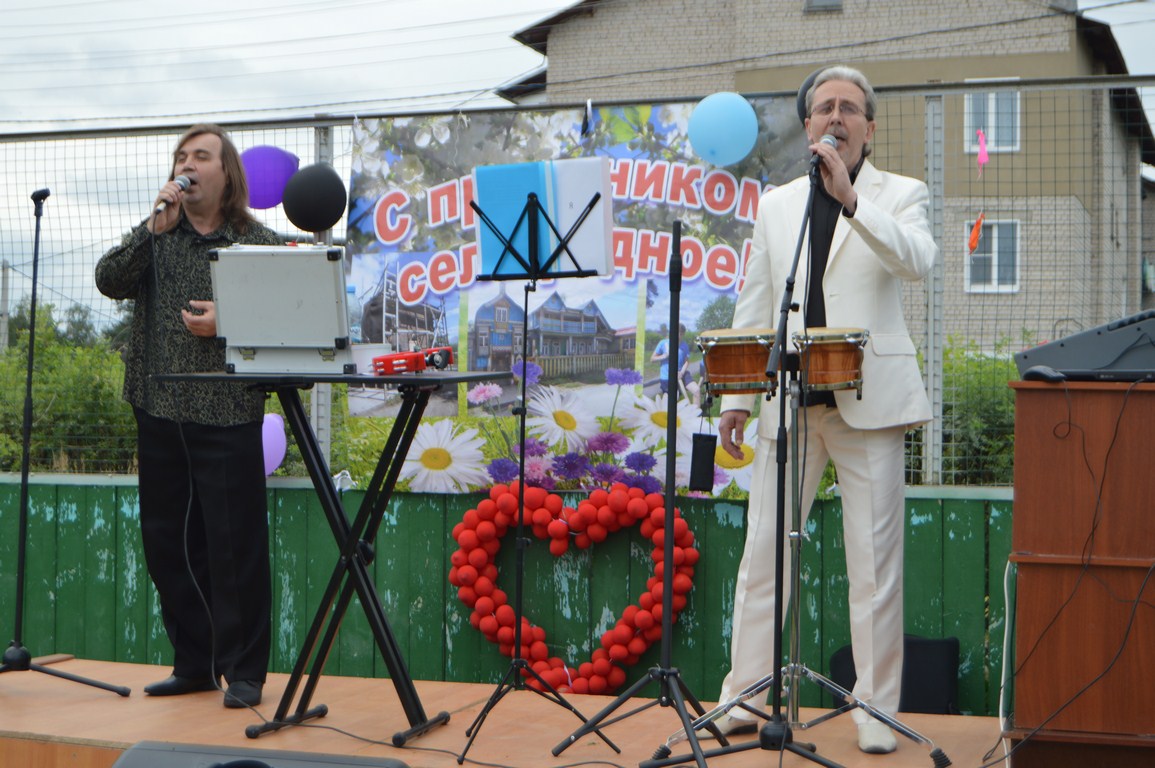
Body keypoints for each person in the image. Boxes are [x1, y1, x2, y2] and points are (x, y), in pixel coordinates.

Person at [712, 66, 937, 755]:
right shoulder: (775, 203)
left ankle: (874, 709)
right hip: (788, 402)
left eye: (848, 108)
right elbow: (756, 303)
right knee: (761, 555)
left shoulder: (900, 194)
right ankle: (745, 696)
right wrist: (737, 399)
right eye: (822, 108)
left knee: (873, 563)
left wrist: (849, 202)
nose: (834, 116)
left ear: (868, 127)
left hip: (868, 398)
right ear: (807, 125)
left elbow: (917, 261)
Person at [95, 124, 283, 709]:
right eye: (181, 155)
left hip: (227, 412)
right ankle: (194, 664)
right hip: (159, 409)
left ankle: (244, 671)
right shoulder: (157, 234)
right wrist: (153, 229)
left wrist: (231, 318)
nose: (188, 163)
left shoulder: (260, 243)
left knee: (234, 547)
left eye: (201, 155)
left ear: (226, 174)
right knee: (166, 545)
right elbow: (108, 280)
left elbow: (292, 314)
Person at [651, 323, 690, 398]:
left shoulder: (684, 345)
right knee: (668, 401)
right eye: (678, 333)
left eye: (681, 334)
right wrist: (664, 356)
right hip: (666, 378)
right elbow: (652, 359)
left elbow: (687, 361)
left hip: (678, 377)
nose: (679, 336)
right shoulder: (663, 343)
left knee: (677, 399)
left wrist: (681, 373)